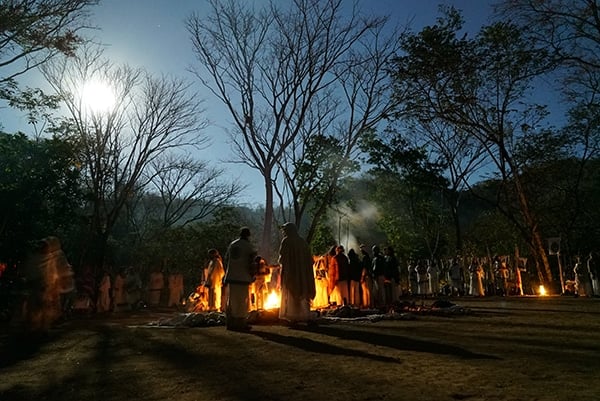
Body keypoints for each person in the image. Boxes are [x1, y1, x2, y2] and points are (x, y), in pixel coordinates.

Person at [278, 222, 316, 325]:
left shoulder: (286, 241)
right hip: (303, 274)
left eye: (285, 230)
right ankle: (304, 315)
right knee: (302, 291)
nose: (284, 232)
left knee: (291, 293)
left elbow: (282, 258)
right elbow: (310, 260)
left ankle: (293, 316)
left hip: (291, 273)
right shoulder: (303, 242)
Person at [224, 227, 256, 331]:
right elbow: (252, 262)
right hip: (243, 277)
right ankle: (241, 324)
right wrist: (253, 275)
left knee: (232, 300)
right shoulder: (248, 246)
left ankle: (231, 323)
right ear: (248, 235)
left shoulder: (232, 244)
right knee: (242, 301)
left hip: (231, 276)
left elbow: (226, 259)